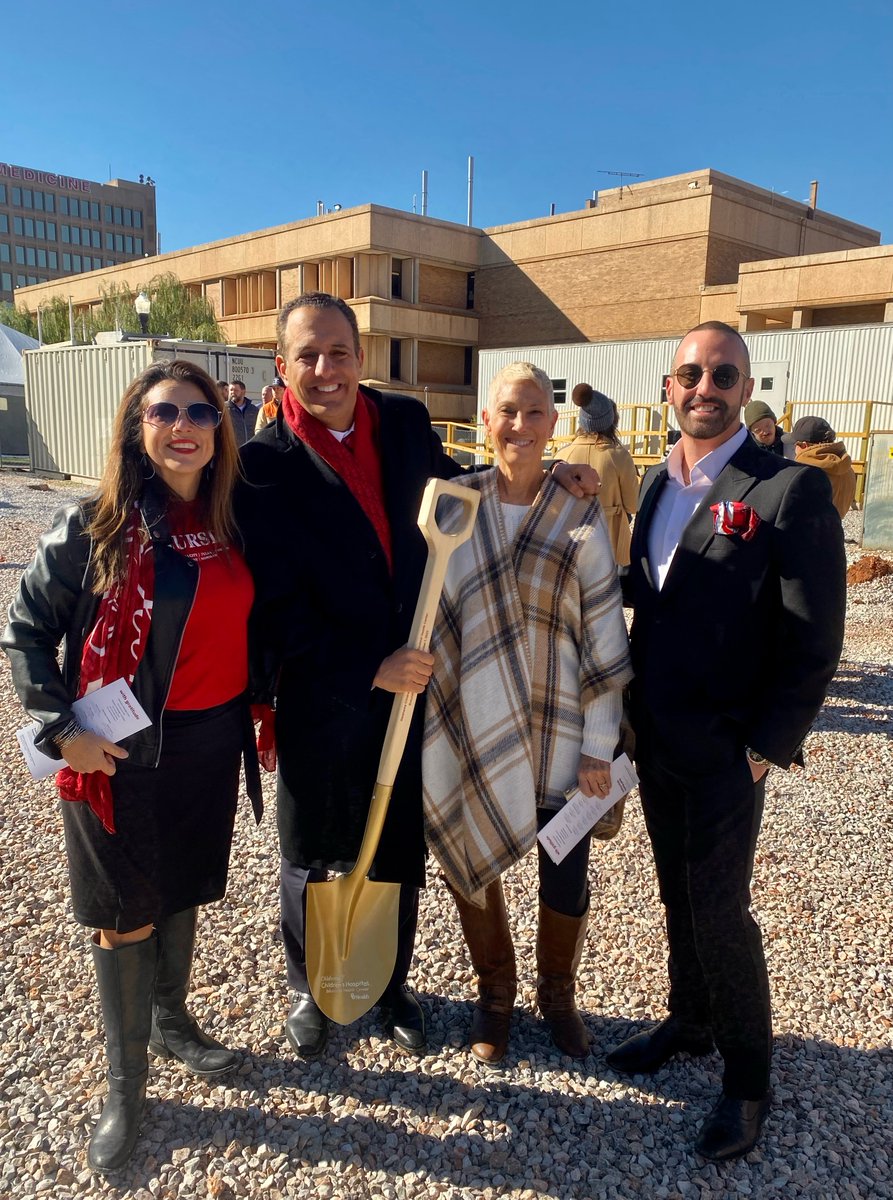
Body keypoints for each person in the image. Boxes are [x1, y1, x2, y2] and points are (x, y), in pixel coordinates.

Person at [236, 292, 597, 1062]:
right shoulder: (261, 468)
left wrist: (543, 466)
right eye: (308, 355)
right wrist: (365, 665)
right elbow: (268, 608)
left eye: (339, 352)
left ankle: (393, 983)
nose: (326, 370)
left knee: (398, 841)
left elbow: (458, 492)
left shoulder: (400, 422)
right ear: (281, 366)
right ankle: (310, 985)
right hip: (324, 689)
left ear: (361, 356)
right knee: (311, 845)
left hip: (414, 689)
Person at [2, 360, 262, 1174]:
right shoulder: (93, 528)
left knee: (181, 888)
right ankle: (128, 1083)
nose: (183, 425)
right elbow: (25, 633)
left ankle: (175, 1023)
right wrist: (58, 727)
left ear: (220, 428)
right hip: (117, 750)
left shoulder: (233, 521)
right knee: (124, 910)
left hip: (210, 742)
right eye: (164, 412)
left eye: (200, 411)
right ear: (137, 428)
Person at [607, 321, 845, 1161]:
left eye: (721, 374)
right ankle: (690, 1020)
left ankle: (747, 1081)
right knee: (673, 890)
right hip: (655, 732)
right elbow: (653, 590)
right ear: (666, 388)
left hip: (726, 747)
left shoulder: (786, 490)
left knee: (720, 908)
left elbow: (814, 637)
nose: (702, 387)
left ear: (745, 388)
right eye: (688, 374)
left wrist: (764, 748)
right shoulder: (654, 482)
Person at [423, 363, 632, 1066]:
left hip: (562, 729)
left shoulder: (578, 513)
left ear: (553, 423)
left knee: (563, 863)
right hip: (471, 721)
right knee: (471, 860)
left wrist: (599, 746)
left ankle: (558, 995)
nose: (519, 425)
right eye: (507, 411)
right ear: (486, 420)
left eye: (534, 411)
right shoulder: (455, 504)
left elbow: (603, 634)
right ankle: (495, 996)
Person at [554, 383, 639, 565]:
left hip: (570, 544)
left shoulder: (561, 456)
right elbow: (633, 505)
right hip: (610, 543)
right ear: (611, 421)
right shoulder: (619, 456)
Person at [781, 415, 856, 518]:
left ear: (804, 445)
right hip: (835, 530)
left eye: (795, 444)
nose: (794, 449)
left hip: (804, 532)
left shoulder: (802, 473)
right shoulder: (848, 469)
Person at [226, 379, 260, 446]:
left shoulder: (254, 410)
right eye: (231, 390)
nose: (232, 392)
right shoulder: (224, 409)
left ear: (243, 392)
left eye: (236, 390)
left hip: (250, 449)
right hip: (232, 450)